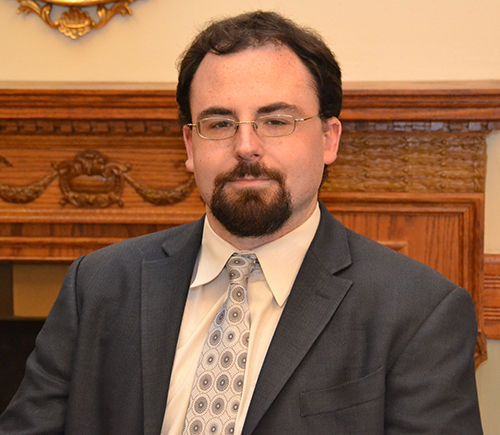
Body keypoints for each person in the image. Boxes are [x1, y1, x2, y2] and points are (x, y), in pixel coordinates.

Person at [0, 10, 482, 435]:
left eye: (276, 121)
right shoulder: (97, 286)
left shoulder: (420, 313)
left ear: (329, 139)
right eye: (219, 123)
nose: (246, 146)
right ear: (190, 147)